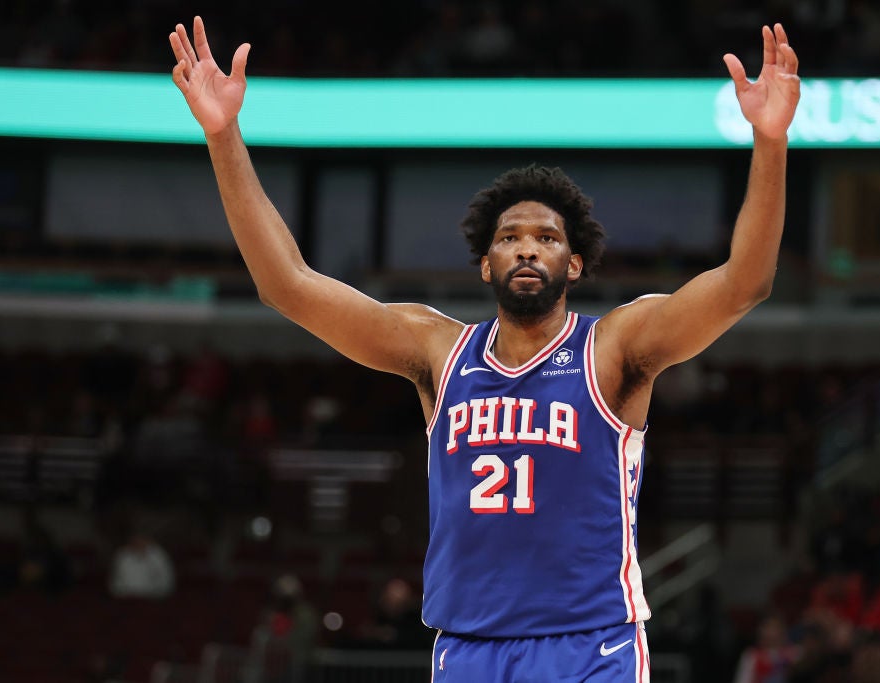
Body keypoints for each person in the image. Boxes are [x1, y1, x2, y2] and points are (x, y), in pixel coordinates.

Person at [169, 16, 800, 681]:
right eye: (509, 236)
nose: (527, 245)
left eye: (548, 237)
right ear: (485, 265)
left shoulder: (616, 347)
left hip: (589, 646)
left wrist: (770, 140)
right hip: (467, 647)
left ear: (576, 264)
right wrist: (222, 134)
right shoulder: (439, 352)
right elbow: (287, 285)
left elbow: (743, 284)